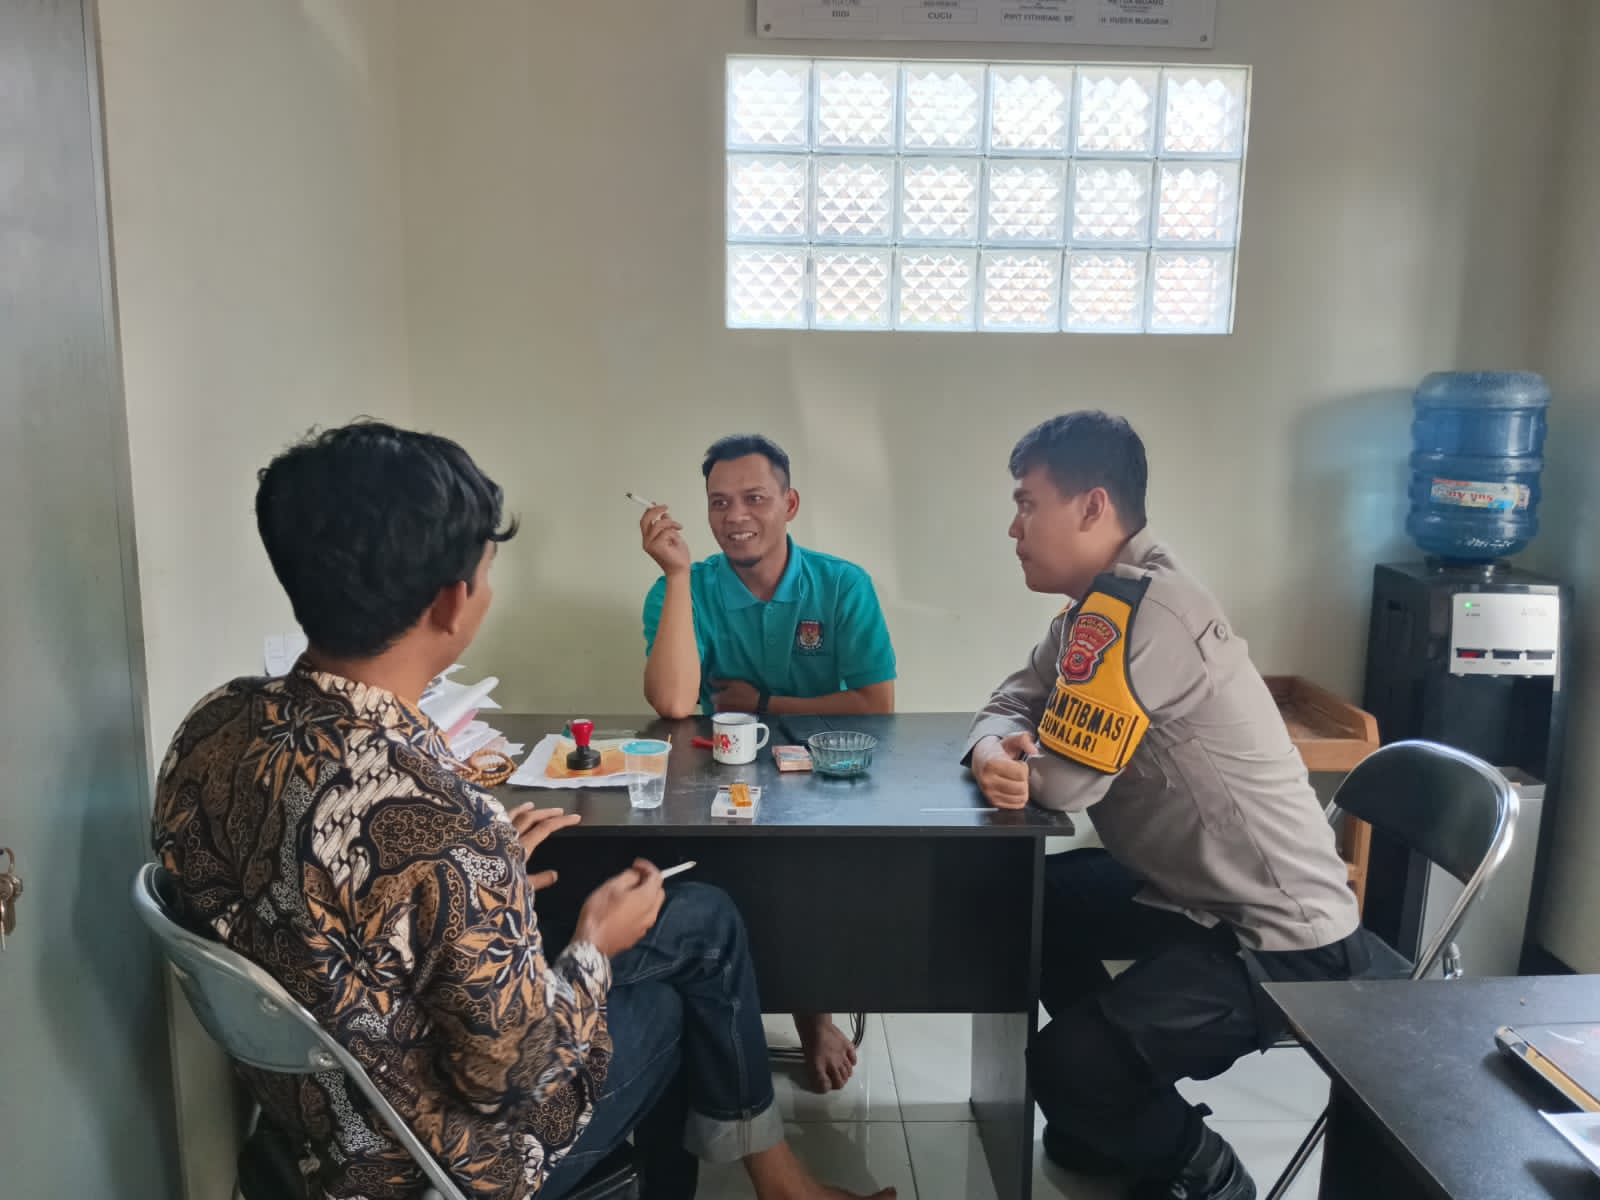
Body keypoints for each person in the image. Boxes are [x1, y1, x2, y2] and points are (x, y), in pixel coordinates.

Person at [153, 421, 892, 1200]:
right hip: (437, 1159)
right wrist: (593, 945)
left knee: (701, 916)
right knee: (677, 991)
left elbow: (330, 884)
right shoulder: (442, 817)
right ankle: (769, 1184)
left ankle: (777, 1179)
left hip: (313, 1107)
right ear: (454, 600)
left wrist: (482, 873)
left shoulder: (213, 725)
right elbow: (511, 1075)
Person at [963, 412, 1370, 1200]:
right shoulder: (1095, 609)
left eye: (1027, 504)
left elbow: (1066, 786)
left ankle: (1206, 1173)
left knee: (1064, 1066)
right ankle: (1116, 1099)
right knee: (1028, 900)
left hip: (1278, 938)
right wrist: (990, 753)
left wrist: (1021, 763)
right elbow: (1009, 698)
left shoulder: (1145, 610)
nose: (1014, 528)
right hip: (1190, 895)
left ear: (1093, 506)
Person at [637, 433, 897, 1093]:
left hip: (824, 775)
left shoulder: (841, 585)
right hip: (717, 776)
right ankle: (717, 1016)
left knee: (817, 869)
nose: (736, 517)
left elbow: (876, 705)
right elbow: (673, 703)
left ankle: (814, 1013)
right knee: (705, 876)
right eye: (719, 502)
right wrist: (675, 576)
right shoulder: (683, 588)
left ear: (790, 504)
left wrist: (763, 702)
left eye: (754, 498)